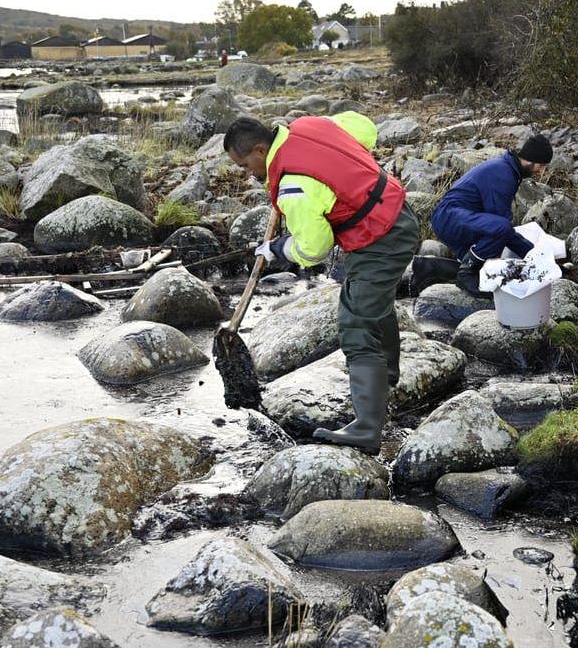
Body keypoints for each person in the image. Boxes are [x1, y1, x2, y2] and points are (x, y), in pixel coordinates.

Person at [224, 112, 416, 454]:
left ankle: (367, 428)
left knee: (355, 322)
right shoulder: (307, 125)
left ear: (258, 149)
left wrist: (279, 248)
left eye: (245, 165)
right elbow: (364, 130)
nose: (248, 173)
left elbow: (315, 250)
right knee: (372, 302)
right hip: (395, 212)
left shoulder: (293, 187)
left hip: (379, 237)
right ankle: (385, 378)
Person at [429, 135, 554, 297]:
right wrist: (534, 256)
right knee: (501, 228)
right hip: (450, 217)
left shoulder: (510, 169)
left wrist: (534, 256)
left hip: (458, 217)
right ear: (531, 159)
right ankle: (465, 275)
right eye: (541, 165)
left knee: (484, 261)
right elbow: (502, 227)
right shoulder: (503, 174)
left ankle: (429, 269)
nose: (541, 171)